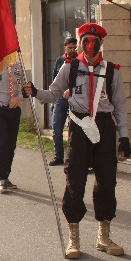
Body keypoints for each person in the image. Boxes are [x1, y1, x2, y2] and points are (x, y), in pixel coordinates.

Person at [24, 22, 129, 259]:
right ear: (80, 44)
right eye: (86, 41)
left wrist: (124, 137)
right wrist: (35, 92)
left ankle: (104, 237)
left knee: (107, 181)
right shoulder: (70, 68)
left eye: (95, 41)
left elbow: (121, 106)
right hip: (80, 126)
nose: (90, 45)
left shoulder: (111, 70)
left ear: (101, 44)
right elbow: (53, 93)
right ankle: (74, 238)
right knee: (75, 179)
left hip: (104, 126)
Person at [0, 64, 24, 193]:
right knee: (2, 142)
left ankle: (6, 175)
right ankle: (2, 178)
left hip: (13, 109)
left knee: (11, 144)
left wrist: (19, 98)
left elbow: (25, 88)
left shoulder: (17, 67)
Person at [50, 37, 79, 166]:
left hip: (75, 99)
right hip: (60, 99)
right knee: (56, 128)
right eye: (70, 47)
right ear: (65, 48)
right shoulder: (59, 61)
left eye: (74, 47)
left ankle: (74, 158)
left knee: (74, 130)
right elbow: (55, 81)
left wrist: (71, 90)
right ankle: (58, 156)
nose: (72, 50)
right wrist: (52, 100)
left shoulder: (80, 61)